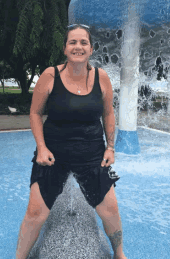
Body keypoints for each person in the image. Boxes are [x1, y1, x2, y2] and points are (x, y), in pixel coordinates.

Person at [16, 24, 127, 259]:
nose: (78, 47)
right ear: (65, 48)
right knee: (36, 212)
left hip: (92, 152)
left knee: (110, 209)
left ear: (91, 49)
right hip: (53, 153)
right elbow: (35, 113)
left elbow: (108, 113)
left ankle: (119, 253)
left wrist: (110, 147)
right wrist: (42, 148)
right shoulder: (50, 75)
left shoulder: (101, 77)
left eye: (83, 42)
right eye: (73, 42)